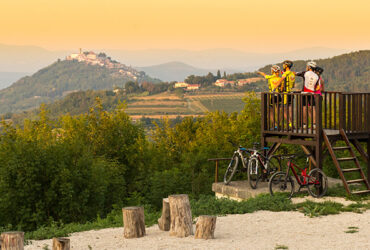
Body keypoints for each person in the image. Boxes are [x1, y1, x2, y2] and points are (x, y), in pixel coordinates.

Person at [275, 60, 295, 128]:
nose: (283, 66)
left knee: (283, 109)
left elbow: (281, 80)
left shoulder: (286, 73)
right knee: (289, 109)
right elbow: (293, 85)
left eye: (283, 65)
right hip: (291, 93)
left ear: (286, 65)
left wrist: (275, 88)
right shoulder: (292, 74)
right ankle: (292, 123)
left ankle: (290, 124)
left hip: (286, 94)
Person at [300, 61, 319, 128]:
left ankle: (304, 124)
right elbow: (317, 87)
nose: (306, 67)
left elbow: (296, 74)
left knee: (304, 108)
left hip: (304, 93)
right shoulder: (317, 76)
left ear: (309, 67)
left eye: (307, 66)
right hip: (312, 93)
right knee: (313, 109)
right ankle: (314, 124)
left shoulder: (305, 73)